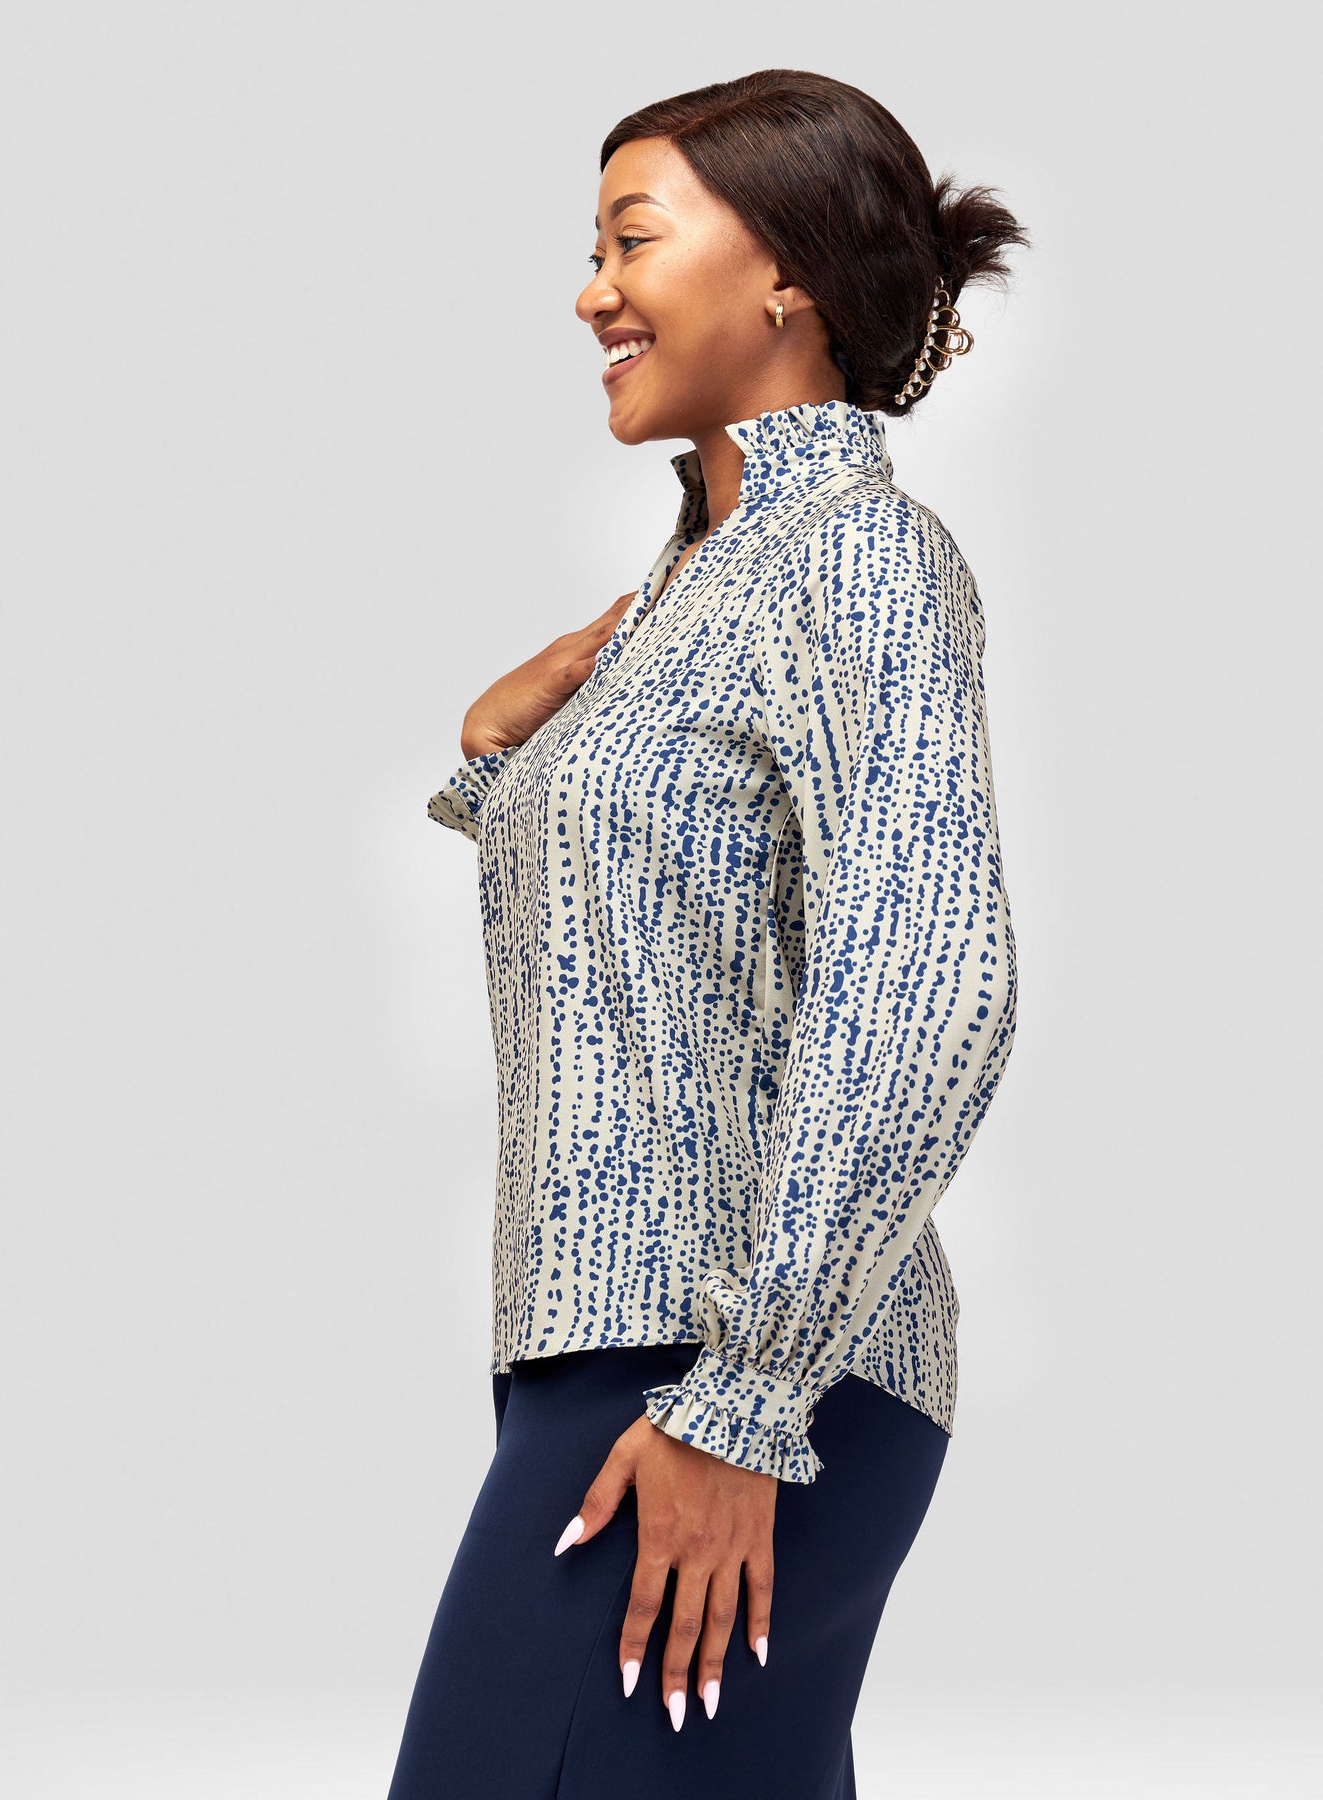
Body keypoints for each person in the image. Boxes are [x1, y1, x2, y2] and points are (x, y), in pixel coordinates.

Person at [386, 67, 1028, 1799]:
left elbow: (930, 982)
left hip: (723, 1377)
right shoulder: (694, 586)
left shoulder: (856, 555)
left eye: (632, 239)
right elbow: (661, 955)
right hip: (622, 1368)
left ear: (788, 273)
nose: (591, 291)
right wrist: (499, 767)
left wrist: (747, 1399)